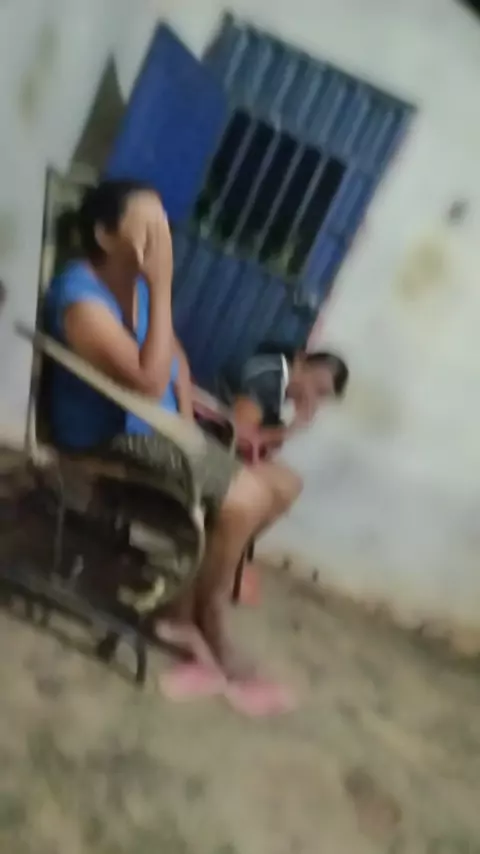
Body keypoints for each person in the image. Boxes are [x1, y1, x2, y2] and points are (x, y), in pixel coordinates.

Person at [44, 179, 302, 712]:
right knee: (247, 498)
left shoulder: (135, 289)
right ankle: (208, 619)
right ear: (105, 235)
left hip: (159, 430)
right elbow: (145, 380)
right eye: (148, 227)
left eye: (163, 227)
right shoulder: (80, 297)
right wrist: (162, 287)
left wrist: (184, 423)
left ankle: (182, 606)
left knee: (283, 483)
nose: (162, 239)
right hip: (112, 435)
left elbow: (176, 358)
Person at [223, 345, 349, 453]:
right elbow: (241, 437)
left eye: (321, 396)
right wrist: (288, 431)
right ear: (300, 362)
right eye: (318, 388)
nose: (313, 399)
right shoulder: (269, 378)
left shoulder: (280, 388)